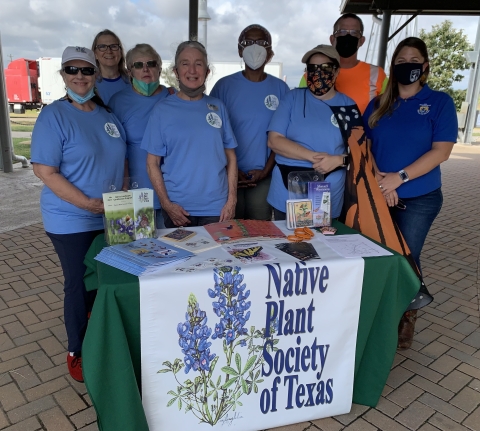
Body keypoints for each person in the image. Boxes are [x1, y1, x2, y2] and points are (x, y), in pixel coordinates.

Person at [30, 46, 127, 382]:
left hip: (110, 216)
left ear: (95, 75)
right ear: (63, 75)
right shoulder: (54, 115)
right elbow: (45, 170)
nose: (80, 76)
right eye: (73, 70)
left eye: (87, 70)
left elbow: (122, 163)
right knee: (79, 284)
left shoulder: (107, 116)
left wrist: (123, 202)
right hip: (70, 219)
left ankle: (103, 341)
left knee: (107, 283)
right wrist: (87, 203)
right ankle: (78, 350)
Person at [364, 37, 457, 349]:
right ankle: (380, 314)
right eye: (400, 60)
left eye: (413, 59)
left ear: (425, 65)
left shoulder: (440, 102)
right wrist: (381, 180)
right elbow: (364, 146)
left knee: (406, 256)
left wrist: (398, 179)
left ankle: (406, 315)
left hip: (420, 197)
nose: (407, 65)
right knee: (380, 256)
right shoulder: (377, 105)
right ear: (393, 66)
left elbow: (441, 151)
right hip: (379, 193)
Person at [141, 41, 237, 228]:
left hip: (217, 209)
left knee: (218, 258)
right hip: (179, 209)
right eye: (185, 64)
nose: (192, 70)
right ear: (176, 71)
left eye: (198, 64)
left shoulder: (218, 107)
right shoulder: (162, 110)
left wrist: (231, 201)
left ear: (207, 71)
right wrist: (167, 205)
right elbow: (152, 163)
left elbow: (231, 158)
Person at [210, 24, 289, 220]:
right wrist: (232, 170)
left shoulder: (281, 89)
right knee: (229, 232)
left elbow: (284, 136)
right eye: (248, 42)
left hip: (263, 177)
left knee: (259, 232)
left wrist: (265, 170)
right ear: (239, 50)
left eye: (262, 43)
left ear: (270, 53)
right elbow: (212, 132)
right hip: (227, 175)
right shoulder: (223, 86)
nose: (255, 47)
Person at [267, 45, 353, 221]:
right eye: (313, 68)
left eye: (326, 68)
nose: (318, 74)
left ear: (336, 72)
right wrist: (312, 156)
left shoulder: (347, 106)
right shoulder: (292, 98)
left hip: (328, 188)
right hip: (288, 184)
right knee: (287, 243)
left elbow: (361, 152)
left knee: (324, 244)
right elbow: (274, 141)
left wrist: (338, 160)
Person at [109, 44, 172, 229]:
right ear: (129, 71)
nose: (145, 69)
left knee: (170, 251)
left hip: (172, 192)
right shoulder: (118, 102)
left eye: (151, 63)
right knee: (134, 251)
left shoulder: (174, 97)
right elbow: (113, 148)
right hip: (132, 191)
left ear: (159, 68)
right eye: (138, 65)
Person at [299, 13, 386, 114]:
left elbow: (388, 110)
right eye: (342, 32)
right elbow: (301, 108)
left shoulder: (377, 74)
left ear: (361, 41)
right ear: (332, 39)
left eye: (354, 32)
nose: (348, 36)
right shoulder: (312, 73)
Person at [91, 29, 130, 104]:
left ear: (120, 52)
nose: (109, 51)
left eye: (113, 46)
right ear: (95, 54)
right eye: (102, 47)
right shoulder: (89, 83)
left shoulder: (133, 81)